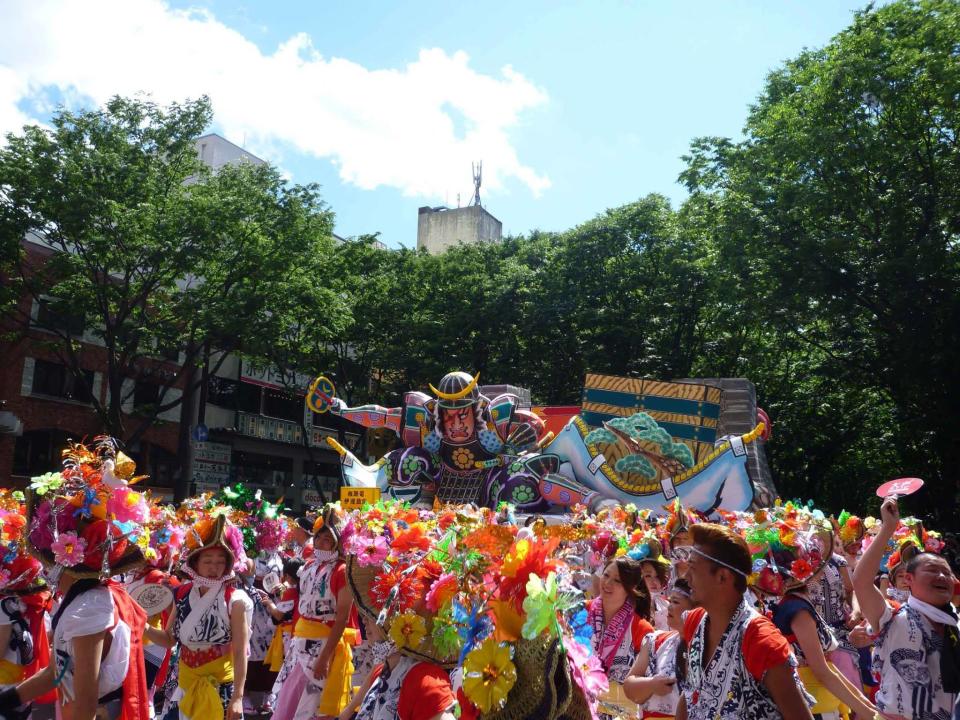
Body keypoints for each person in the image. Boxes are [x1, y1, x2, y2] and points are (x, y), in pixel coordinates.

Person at [0, 441, 150, 720]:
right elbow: (58, 672)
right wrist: (7, 700)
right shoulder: (77, 600)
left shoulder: (90, 608)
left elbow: (85, 701)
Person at [674, 523, 813, 720]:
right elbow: (691, 693)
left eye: (694, 568)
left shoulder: (761, 640)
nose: (686, 576)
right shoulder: (695, 621)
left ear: (722, 576)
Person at [852, 496, 959, 720]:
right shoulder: (894, 616)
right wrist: (888, 527)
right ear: (908, 579)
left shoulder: (954, 624)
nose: (942, 576)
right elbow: (861, 581)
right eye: (932, 570)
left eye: (947, 573)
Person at [146, 513, 252, 720]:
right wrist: (142, 625)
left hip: (219, 688)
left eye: (220, 562)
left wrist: (238, 697)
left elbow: (240, 652)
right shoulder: (183, 593)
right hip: (185, 684)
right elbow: (169, 640)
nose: (214, 568)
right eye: (208, 561)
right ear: (195, 564)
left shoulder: (235, 600)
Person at [272, 506, 360, 720]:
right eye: (319, 537)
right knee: (290, 700)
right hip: (300, 645)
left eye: (328, 539)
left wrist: (325, 657)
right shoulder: (310, 565)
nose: (321, 542)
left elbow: (341, 619)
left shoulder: (341, 571)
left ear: (338, 542)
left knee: (312, 706)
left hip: (323, 646)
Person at [623, 579, 697, 719]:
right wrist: (651, 684)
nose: (669, 607)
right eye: (670, 601)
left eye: (675, 602)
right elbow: (629, 687)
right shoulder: (656, 641)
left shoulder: (713, 650)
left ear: (695, 609)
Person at [590, 557, 654, 685]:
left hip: (618, 702)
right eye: (606, 575)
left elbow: (644, 682)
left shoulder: (642, 630)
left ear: (631, 587)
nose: (607, 583)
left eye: (617, 580)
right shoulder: (580, 612)